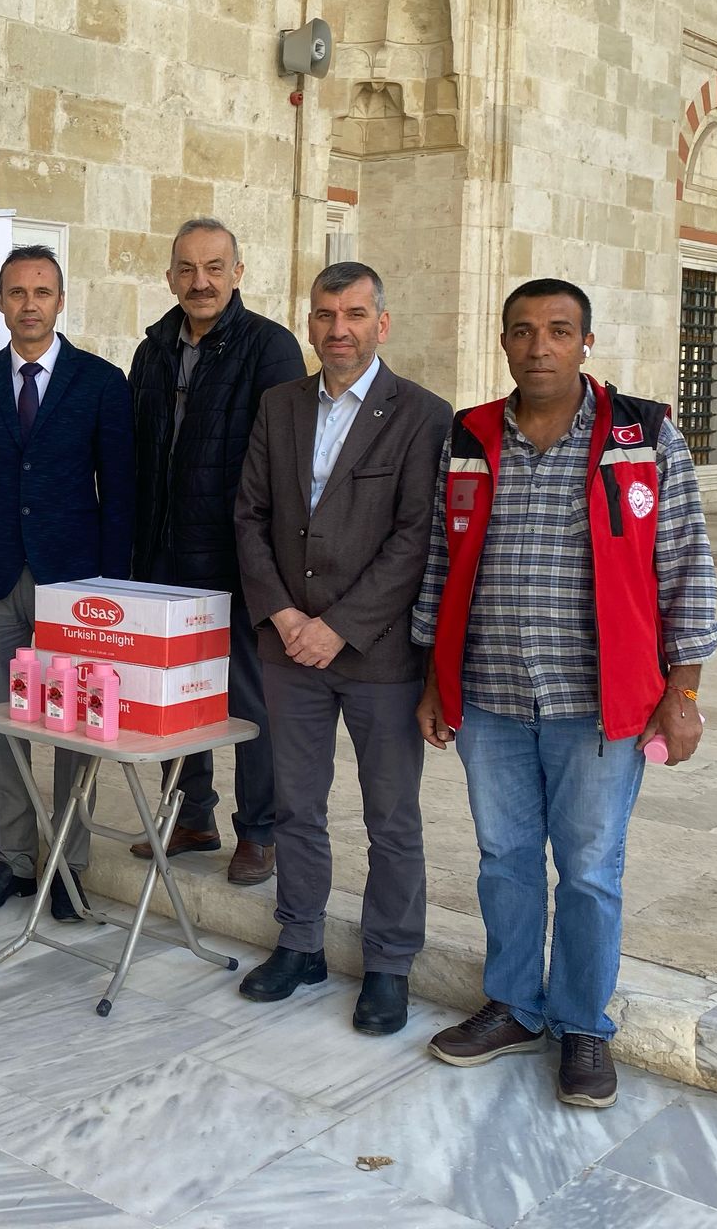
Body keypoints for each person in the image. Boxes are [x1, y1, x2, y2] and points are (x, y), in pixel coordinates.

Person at [411, 278, 717, 1108]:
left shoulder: (642, 435)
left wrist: (684, 690)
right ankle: (514, 1005)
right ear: (503, 342)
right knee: (504, 859)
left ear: (586, 342)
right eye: (522, 331)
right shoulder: (469, 436)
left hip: (601, 703)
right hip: (492, 696)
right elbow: (441, 561)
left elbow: (686, 563)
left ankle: (584, 1024)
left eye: (557, 330)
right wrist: (433, 679)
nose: (539, 346)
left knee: (588, 869)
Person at [231, 262, 449, 1034]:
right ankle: (299, 943)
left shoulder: (423, 415)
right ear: (311, 323)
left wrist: (339, 626)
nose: (339, 329)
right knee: (296, 805)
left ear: (381, 324)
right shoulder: (279, 405)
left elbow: (415, 538)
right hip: (289, 648)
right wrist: (285, 614)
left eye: (355, 314)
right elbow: (250, 516)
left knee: (391, 816)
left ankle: (389, 962)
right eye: (326, 315)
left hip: (378, 654)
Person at [0, 244, 134, 921]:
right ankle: (16, 860)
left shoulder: (101, 382)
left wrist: (112, 589)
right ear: (1, 302)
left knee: (78, 728)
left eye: (41, 292)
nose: (29, 305)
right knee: (1, 724)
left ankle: (68, 868)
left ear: (60, 301)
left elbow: (120, 493)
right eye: (17, 292)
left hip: (75, 586)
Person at [126, 218, 304, 886]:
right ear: (170, 276)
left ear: (237, 272)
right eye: (187, 269)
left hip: (238, 560)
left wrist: (269, 562)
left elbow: (282, 464)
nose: (200, 281)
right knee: (175, 695)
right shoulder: (152, 351)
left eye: (214, 267)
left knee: (251, 703)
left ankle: (259, 832)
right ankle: (189, 816)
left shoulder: (270, 347)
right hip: (163, 558)